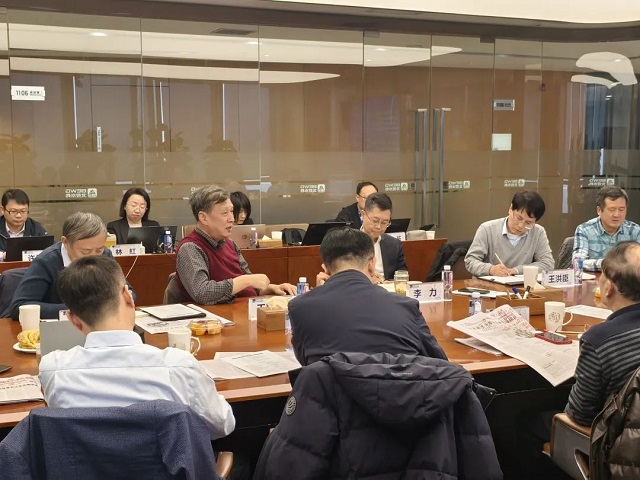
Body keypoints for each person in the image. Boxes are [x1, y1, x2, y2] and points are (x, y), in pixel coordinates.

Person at [39, 255, 235, 440]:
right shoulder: (180, 366)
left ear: (72, 319)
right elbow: (222, 425)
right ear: (127, 296)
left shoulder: (53, 370)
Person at [288, 227, 447, 366]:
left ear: (326, 269)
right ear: (371, 264)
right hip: (397, 391)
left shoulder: (300, 308)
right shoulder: (405, 306)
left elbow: (306, 364)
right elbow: (440, 363)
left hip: (331, 392)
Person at [175, 186, 295, 304]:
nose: (232, 219)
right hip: (212, 315)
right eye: (224, 213)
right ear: (204, 218)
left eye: (231, 211)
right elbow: (202, 293)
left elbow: (249, 287)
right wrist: (246, 280)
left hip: (242, 309)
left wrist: (273, 288)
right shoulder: (190, 247)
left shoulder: (230, 244)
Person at [565, 241, 640, 426]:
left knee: (524, 421)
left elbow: (580, 415)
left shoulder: (599, 340)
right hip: (631, 432)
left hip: (613, 438)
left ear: (609, 287)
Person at [9, 212, 136, 320]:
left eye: (99, 249)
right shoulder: (47, 261)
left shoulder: (105, 255)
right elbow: (19, 307)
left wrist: (112, 303)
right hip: (58, 329)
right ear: (66, 242)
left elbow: (129, 293)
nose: (93, 257)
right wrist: (81, 310)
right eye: (85, 251)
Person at [464, 190, 554, 277]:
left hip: (520, 285)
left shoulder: (538, 232)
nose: (521, 225)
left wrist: (516, 270)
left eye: (528, 223)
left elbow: (547, 263)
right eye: (519, 218)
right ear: (510, 209)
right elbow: (470, 261)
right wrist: (490, 269)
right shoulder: (487, 229)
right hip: (488, 285)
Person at [573, 186, 640, 271]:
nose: (617, 214)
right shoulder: (584, 230)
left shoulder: (635, 230)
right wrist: (609, 264)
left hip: (625, 279)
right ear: (599, 210)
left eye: (621, 210)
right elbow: (578, 262)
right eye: (612, 210)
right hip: (595, 278)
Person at [359, 192, 407, 282]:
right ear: (363, 215)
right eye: (375, 221)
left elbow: (403, 276)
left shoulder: (394, 245)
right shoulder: (348, 243)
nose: (379, 227)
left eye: (384, 223)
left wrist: (389, 283)